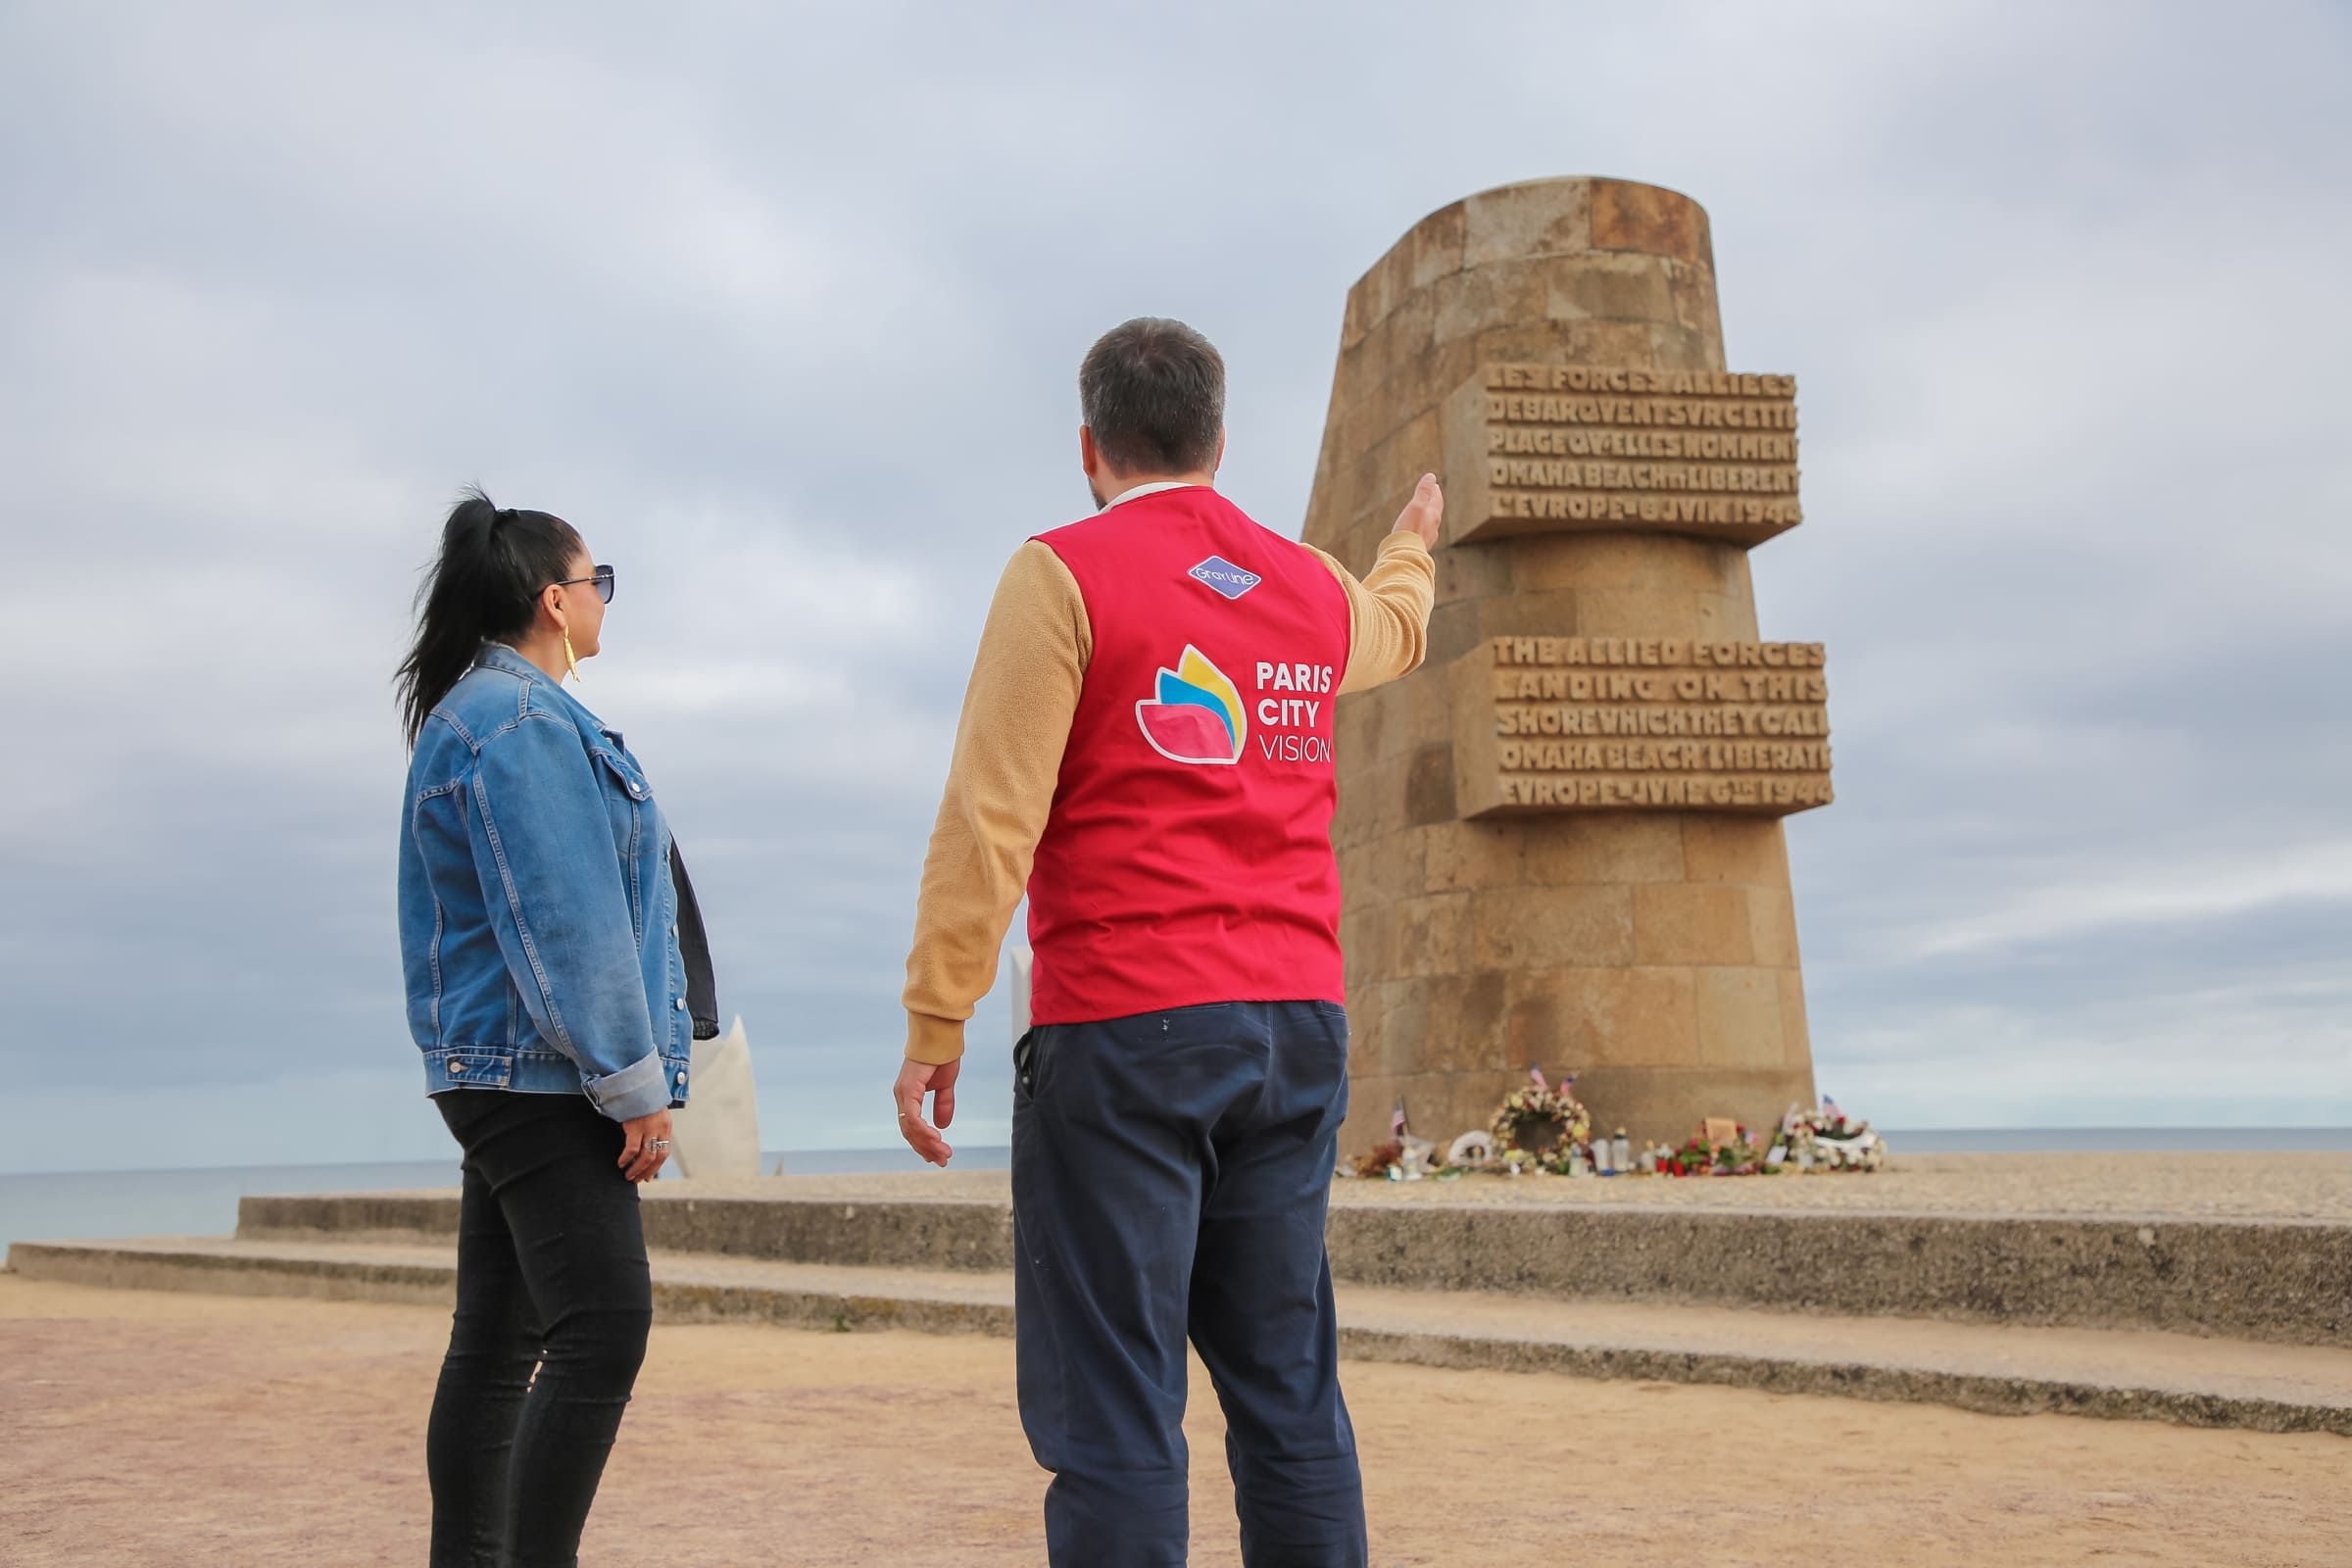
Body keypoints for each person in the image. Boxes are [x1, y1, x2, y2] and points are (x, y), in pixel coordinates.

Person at [896, 318, 1441, 1566]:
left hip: (1126, 1028)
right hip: (1295, 1032)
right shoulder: (1304, 585)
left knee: (1117, 1406)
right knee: (1289, 1390)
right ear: (1219, 442)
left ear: (1090, 448)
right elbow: (1394, 631)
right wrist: (1408, 549)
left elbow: (991, 815)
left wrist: (940, 1015)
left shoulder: (1062, 573)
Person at [394, 490, 715, 1568]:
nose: (602, 600)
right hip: (543, 1075)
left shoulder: (490, 713)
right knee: (603, 1331)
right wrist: (634, 1081)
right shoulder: (523, 723)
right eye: (598, 583)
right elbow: (565, 919)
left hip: (507, 1067)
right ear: (553, 600)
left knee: (498, 1343)